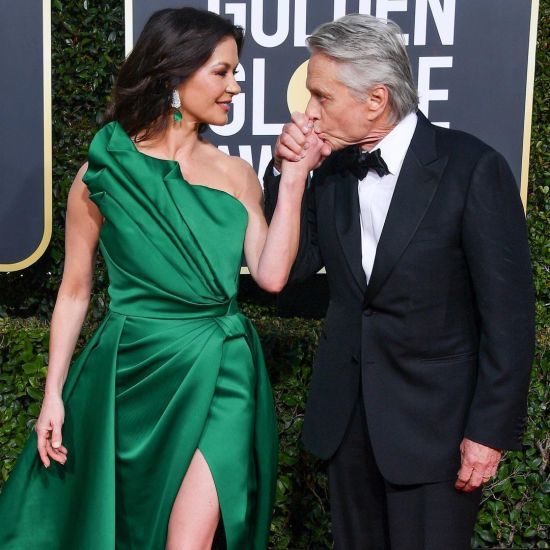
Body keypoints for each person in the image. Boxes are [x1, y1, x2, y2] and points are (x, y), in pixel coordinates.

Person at [0, 7, 323, 550]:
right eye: (222, 72)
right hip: (132, 370)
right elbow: (75, 291)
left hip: (222, 366)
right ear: (174, 74)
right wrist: (52, 394)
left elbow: (271, 276)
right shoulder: (103, 172)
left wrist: (293, 179)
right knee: (122, 531)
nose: (236, 86)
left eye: (236, 72)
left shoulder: (237, 175)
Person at [264, 13, 535, 550]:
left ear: (375, 100)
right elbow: (291, 268)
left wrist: (487, 433)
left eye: (322, 96)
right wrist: (287, 174)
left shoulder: (471, 168)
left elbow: (509, 316)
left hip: (436, 433)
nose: (308, 111)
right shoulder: (332, 171)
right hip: (347, 425)